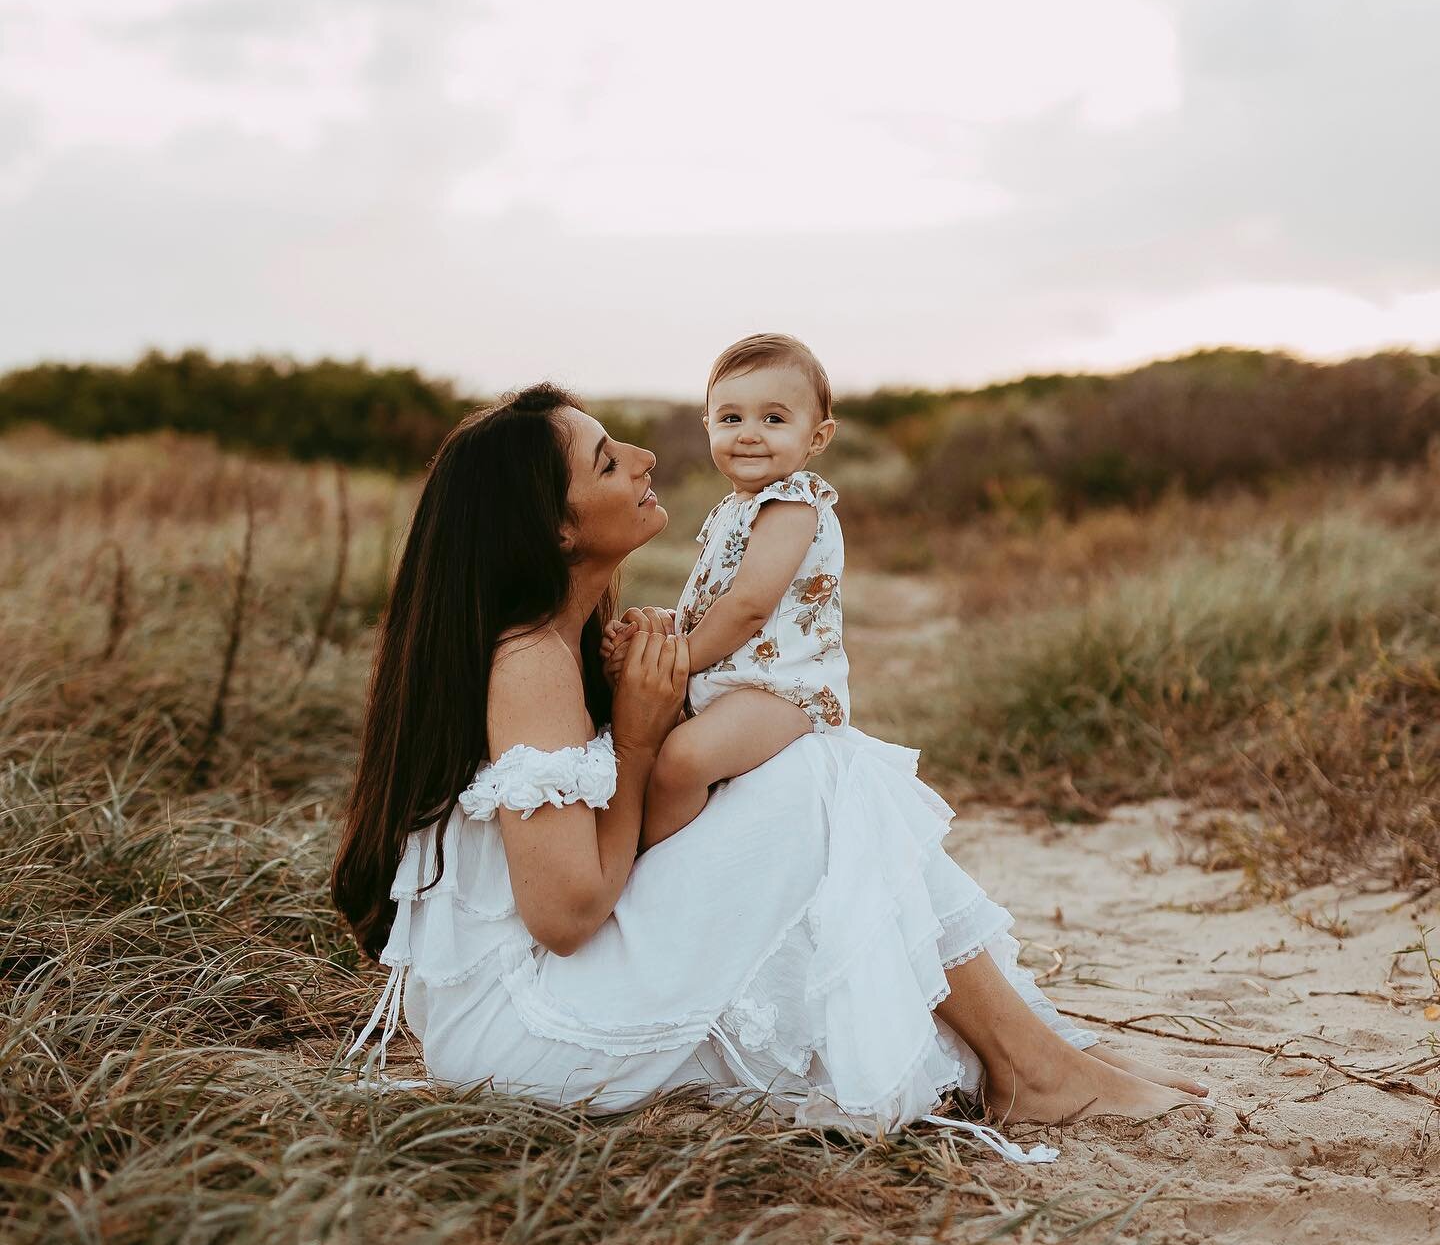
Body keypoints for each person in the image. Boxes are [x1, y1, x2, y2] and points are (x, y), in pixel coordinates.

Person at [332, 383, 1212, 1145]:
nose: (642, 458)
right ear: (557, 531)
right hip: (522, 1033)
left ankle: (1039, 1057)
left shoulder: (573, 637)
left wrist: (655, 702)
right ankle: (1033, 1063)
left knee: (810, 765)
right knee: (820, 771)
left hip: (543, 996)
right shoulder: (528, 663)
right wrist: (638, 742)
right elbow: (566, 914)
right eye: (607, 463)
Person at [601, 333, 849, 852]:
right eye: (731, 418)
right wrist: (662, 632)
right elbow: (714, 599)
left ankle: (650, 870)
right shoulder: (736, 508)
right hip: (735, 679)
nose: (750, 435)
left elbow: (750, 605)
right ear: (708, 425)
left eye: (774, 419)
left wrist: (679, 657)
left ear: (818, 437)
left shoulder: (792, 504)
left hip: (781, 689)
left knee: (683, 759)